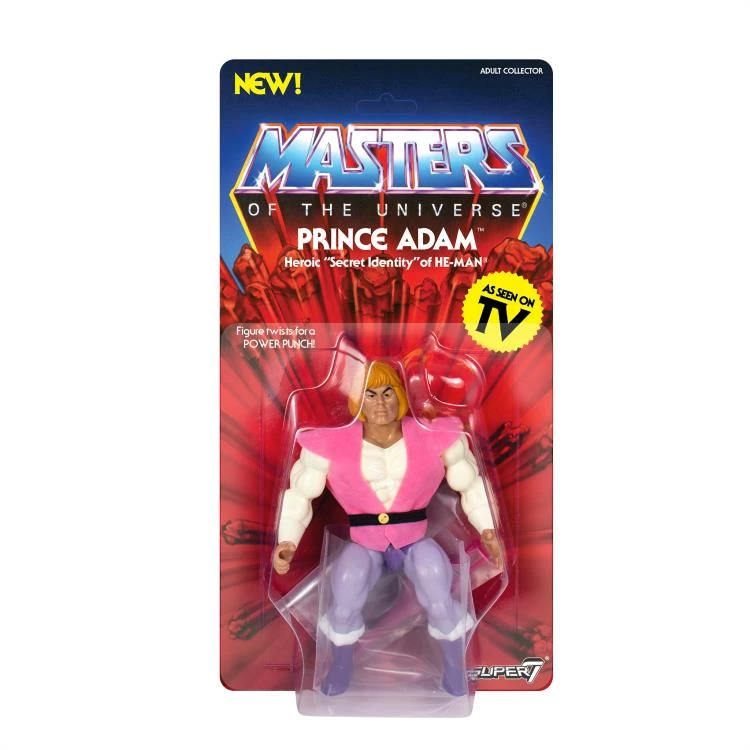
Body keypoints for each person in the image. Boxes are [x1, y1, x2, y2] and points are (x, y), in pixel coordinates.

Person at [272, 361, 503, 696]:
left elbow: (470, 483)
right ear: (357, 400)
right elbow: (300, 493)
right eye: (370, 394)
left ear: (401, 395)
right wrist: (287, 541)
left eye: (387, 393)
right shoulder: (329, 443)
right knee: (346, 588)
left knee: (436, 585)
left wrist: (488, 530)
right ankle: (341, 664)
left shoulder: (436, 436)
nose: (380, 403)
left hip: (414, 539)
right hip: (365, 542)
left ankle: (454, 667)